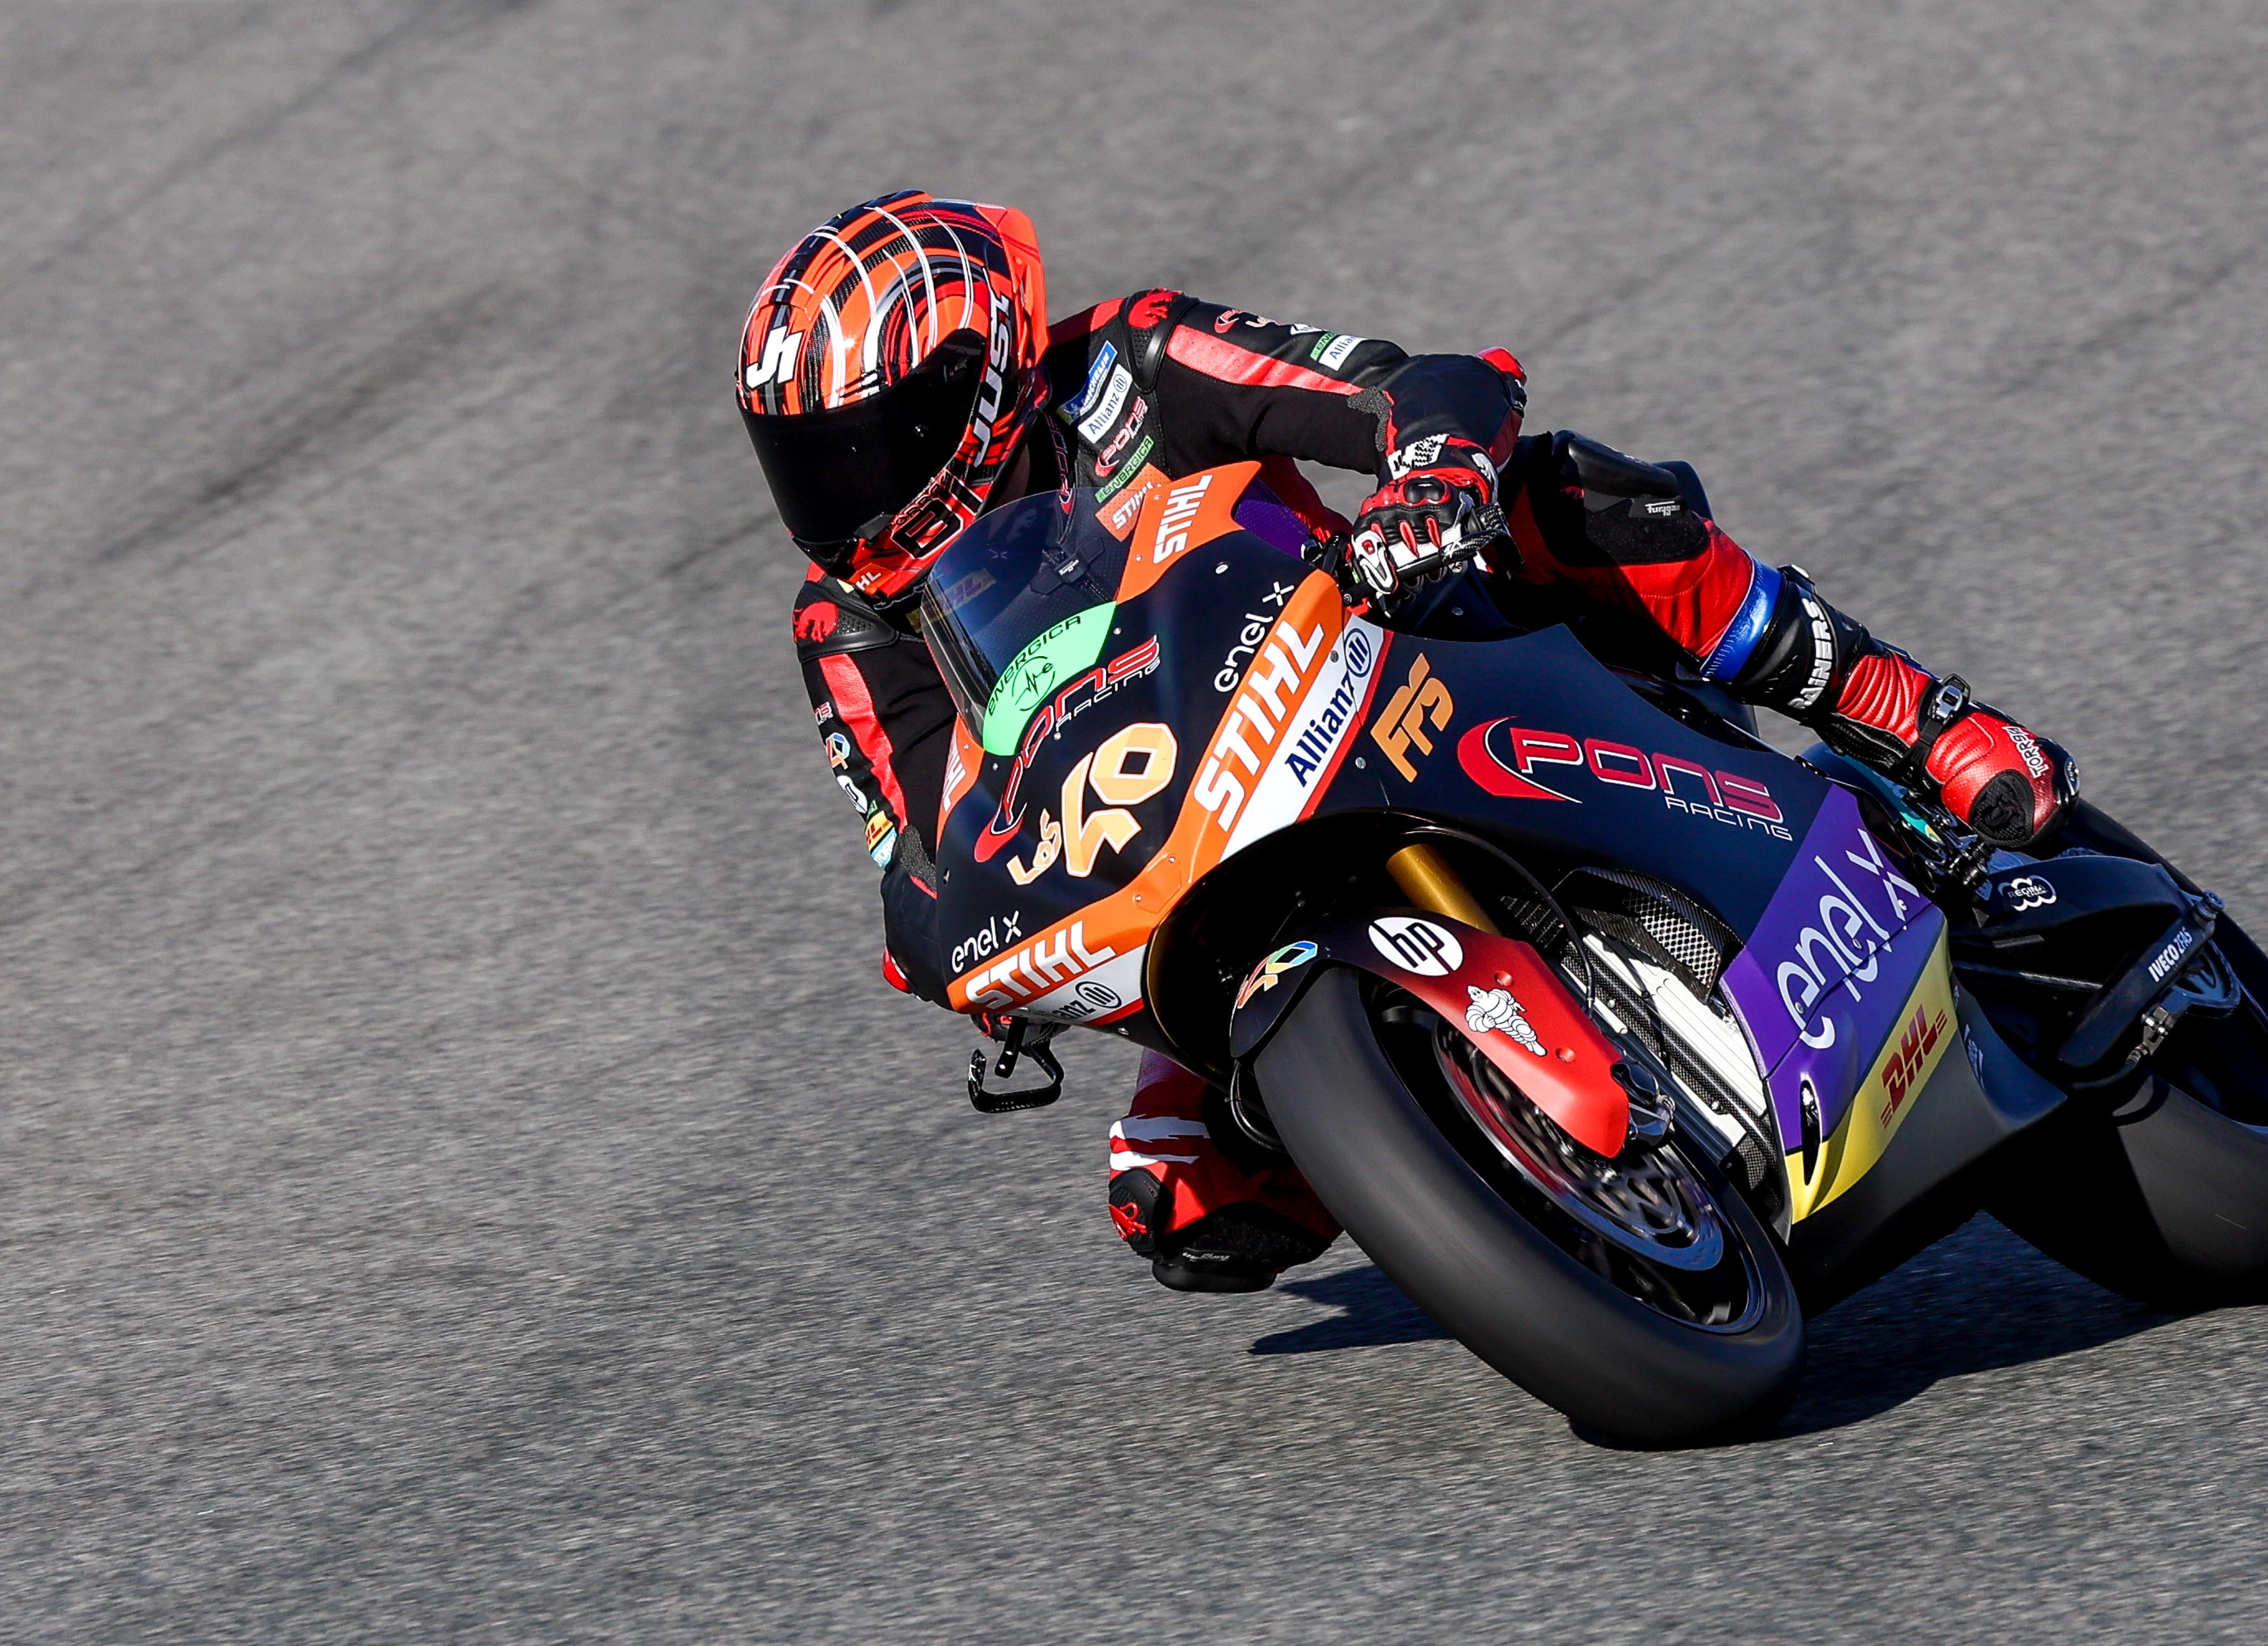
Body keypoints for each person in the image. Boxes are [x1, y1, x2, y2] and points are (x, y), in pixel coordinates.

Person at [737, 190, 2075, 1294]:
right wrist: (941, 946)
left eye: (863, 445)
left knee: (1566, 496)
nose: (837, 498)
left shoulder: (1129, 366)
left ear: (975, 381)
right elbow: (922, 843)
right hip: (1178, 847)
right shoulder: (846, 626)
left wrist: (1429, 470)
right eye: (803, 463)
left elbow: (1398, 385)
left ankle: (1908, 714)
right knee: (1179, 1202)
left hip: (1388, 651)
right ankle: (1427, 1116)